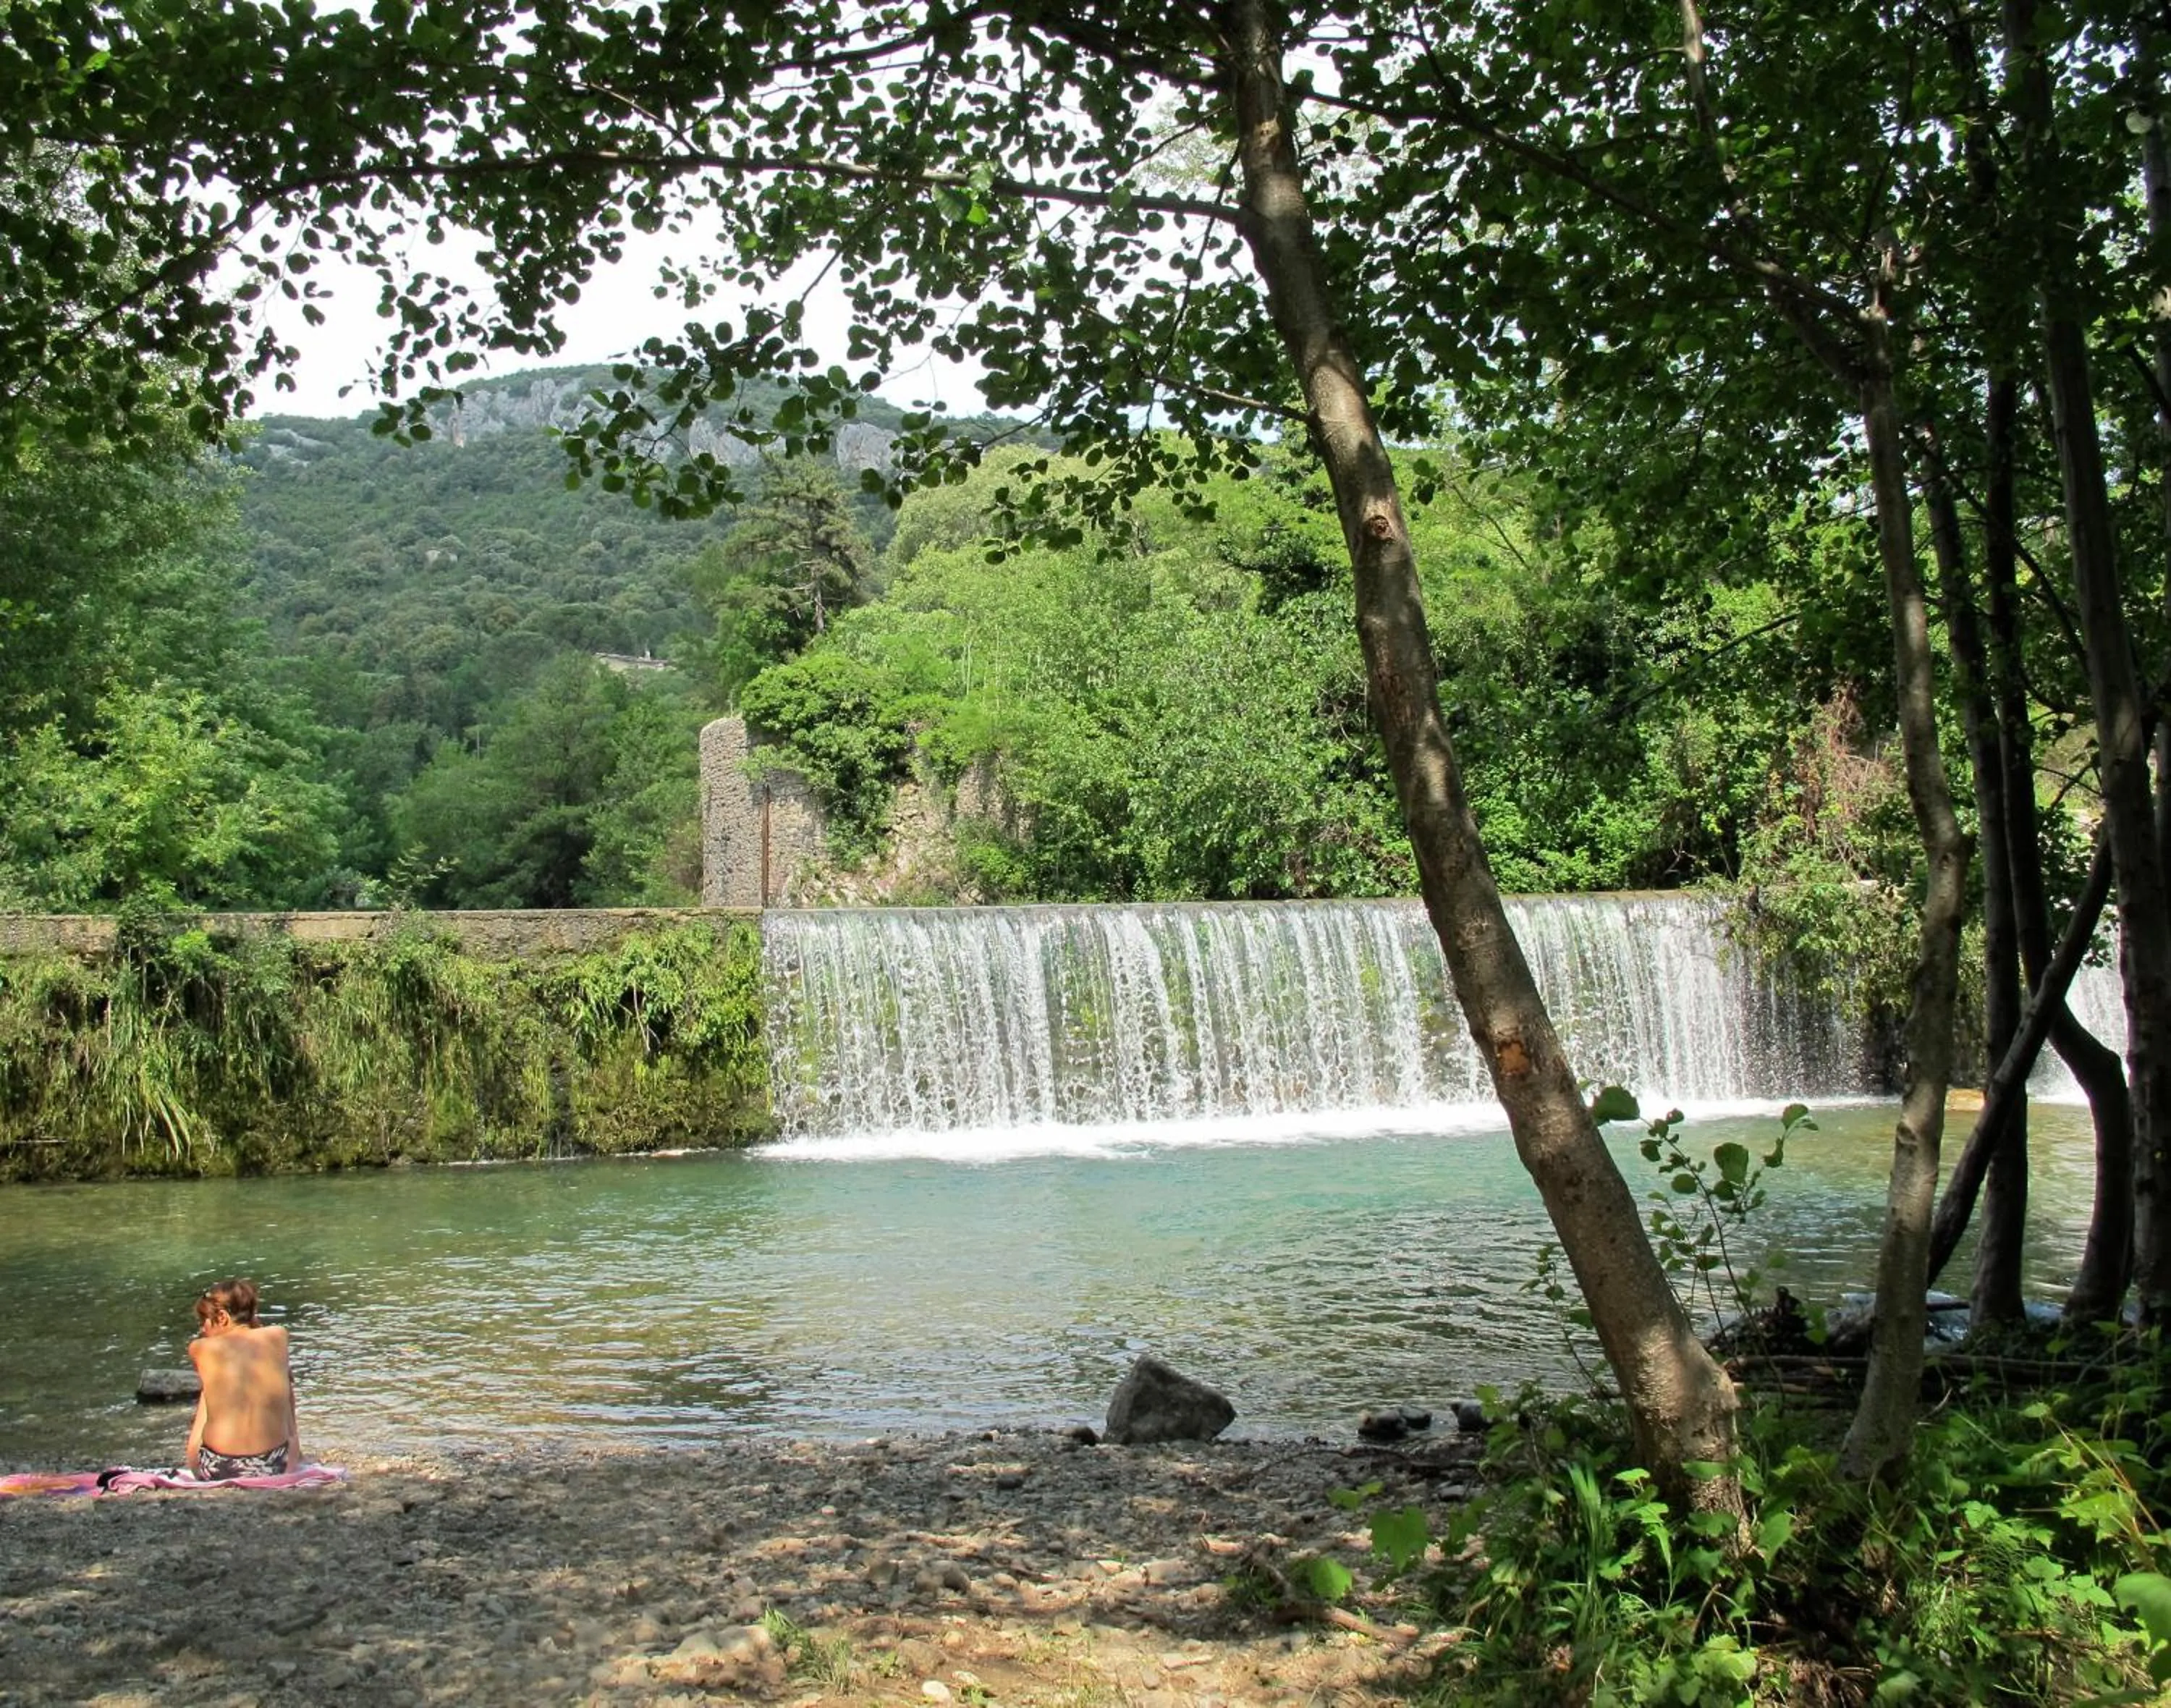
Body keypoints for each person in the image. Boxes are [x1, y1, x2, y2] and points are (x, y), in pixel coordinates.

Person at [183, 1279, 300, 1480]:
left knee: (209, 1389)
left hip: (217, 1467)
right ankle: (296, 1451)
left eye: (204, 1322)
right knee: (283, 1375)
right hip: (275, 1465)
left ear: (222, 1317)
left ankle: (192, 1459)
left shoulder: (199, 1348)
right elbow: (252, 1339)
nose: (203, 1330)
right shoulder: (279, 1335)